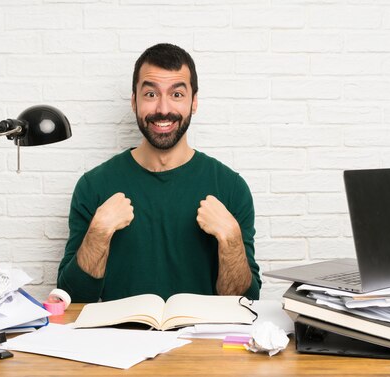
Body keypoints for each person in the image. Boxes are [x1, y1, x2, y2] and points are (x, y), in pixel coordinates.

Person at [57, 43, 261, 303]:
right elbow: (71, 301)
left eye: (176, 94)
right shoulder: (93, 186)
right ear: (134, 101)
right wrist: (99, 232)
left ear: (194, 102)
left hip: (203, 343)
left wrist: (231, 239)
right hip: (119, 342)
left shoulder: (231, 187)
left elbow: (247, 304)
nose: (163, 109)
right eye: (151, 94)